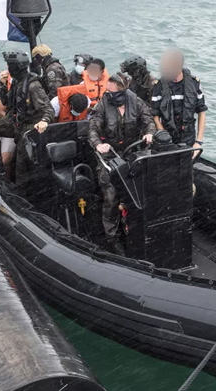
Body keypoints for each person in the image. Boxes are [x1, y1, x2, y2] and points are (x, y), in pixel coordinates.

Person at [88, 72, 156, 254]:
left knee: (141, 193)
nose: (110, 93)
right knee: (110, 196)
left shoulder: (136, 102)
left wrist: (149, 133)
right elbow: (93, 126)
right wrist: (98, 144)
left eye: (114, 89)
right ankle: (112, 237)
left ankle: (139, 230)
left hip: (132, 154)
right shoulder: (104, 104)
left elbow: (148, 120)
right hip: (110, 157)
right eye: (108, 90)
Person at [0, 51, 53, 184]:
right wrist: (4, 85)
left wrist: (44, 121)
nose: (9, 69)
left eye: (11, 66)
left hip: (29, 128)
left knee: (23, 167)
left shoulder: (33, 86)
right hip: (16, 123)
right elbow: (6, 102)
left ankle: (25, 191)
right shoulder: (17, 82)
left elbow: (48, 109)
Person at [151, 48, 207, 152]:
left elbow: (202, 112)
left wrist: (198, 141)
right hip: (167, 135)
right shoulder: (159, 86)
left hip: (188, 135)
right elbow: (155, 115)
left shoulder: (195, 84)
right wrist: (163, 135)